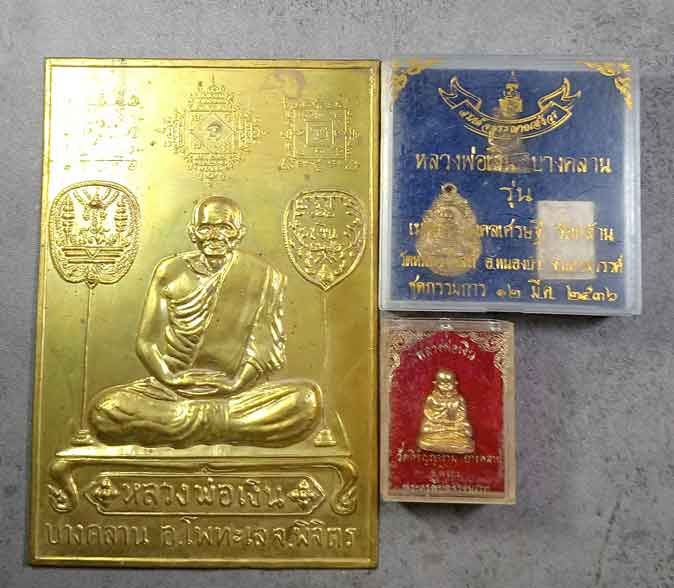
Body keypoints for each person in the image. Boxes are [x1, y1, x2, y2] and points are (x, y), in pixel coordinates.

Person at [89, 196, 321, 448]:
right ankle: (227, 428)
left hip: (239, 393)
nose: (215, 236)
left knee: (305, 402)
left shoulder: (263, 275)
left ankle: (185, 427)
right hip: (172, 392)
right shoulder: (170, 271)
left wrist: (235, 384)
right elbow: (146, 343)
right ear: (193, 232)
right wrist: (171, 379)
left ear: (239, 234)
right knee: (106, 410)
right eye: (206, 228)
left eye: (225, 228)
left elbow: (264, 350)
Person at [417, 369, 474, 454]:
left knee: (467, 431)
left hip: (454, 424)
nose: (446, 386)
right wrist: (437, 420)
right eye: (442, 384)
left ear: (455, 383)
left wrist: (453, 421)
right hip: (436, 423)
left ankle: (446, 438)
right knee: (425, 428)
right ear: (435, 384)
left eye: (449, 384)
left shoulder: (459, 399)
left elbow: (462, 414)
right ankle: (447, 438)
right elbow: (428, 412)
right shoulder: (431, 398)